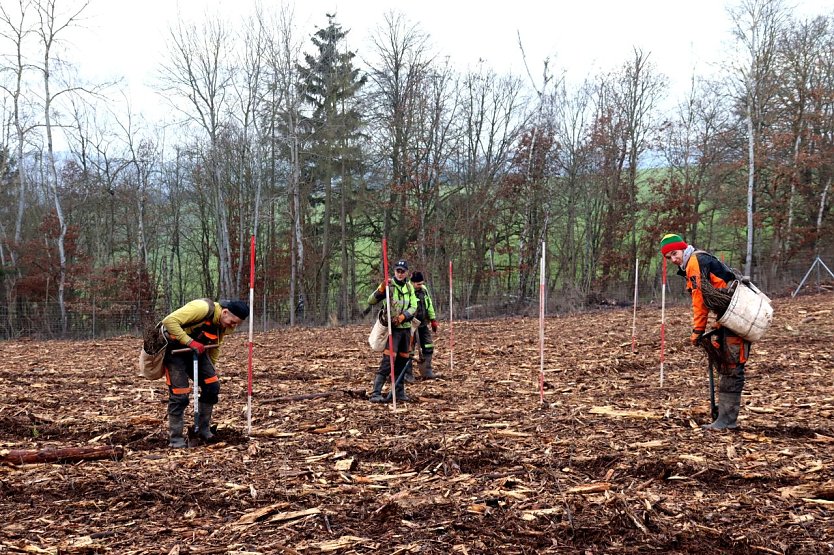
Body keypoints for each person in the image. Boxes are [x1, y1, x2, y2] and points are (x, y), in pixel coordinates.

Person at [660, 233, 751, 430]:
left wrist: (697, 330)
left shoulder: (694, 263)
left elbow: (700, 300)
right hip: (731, 316)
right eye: (669, 258)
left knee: (733, 365)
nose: (674, 259)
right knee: (729, 364)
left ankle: (727, 421)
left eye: (675, 253)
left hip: (739, 315)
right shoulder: (698, 259)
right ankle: (725, 418)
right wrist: (718, 325)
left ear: (684, 248)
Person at [161, 298, 249, 447]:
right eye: (232, 322)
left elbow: (216, 346)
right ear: (225, 312)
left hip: (199, 350)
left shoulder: (224, 324)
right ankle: (176, 438)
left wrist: (210, 370)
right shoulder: (201, 308)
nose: (233, 326)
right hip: (174, 351)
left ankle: (203, 430)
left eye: (236, 324)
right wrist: (190, 342)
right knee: (180, 395)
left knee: (212, 386)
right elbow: (169, 321)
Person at [366, 259, 418, 403]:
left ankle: (399, 392)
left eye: (403, 271)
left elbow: (414, 306)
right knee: (388, 361)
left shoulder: (409, 287)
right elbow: (371, 301)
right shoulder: (389, 286)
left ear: (407, 272)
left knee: (402, 361)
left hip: (406, 329)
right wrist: (381, 288)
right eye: (398, 271)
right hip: (392, 330)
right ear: (394, 271)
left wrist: (403, 317)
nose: (400, 274)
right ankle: (376, 393)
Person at [405, 271, 439, 381]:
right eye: (418, 284)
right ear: (412, 283)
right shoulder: (407, 290)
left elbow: (429, 304)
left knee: (429, 346)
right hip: (410, 325)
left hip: (424, 323)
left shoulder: (424, 290)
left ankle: (426, 371)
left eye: (421, 283)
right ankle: (407, 374)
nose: (420, 286)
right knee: (409, 349)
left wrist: (433, 319)